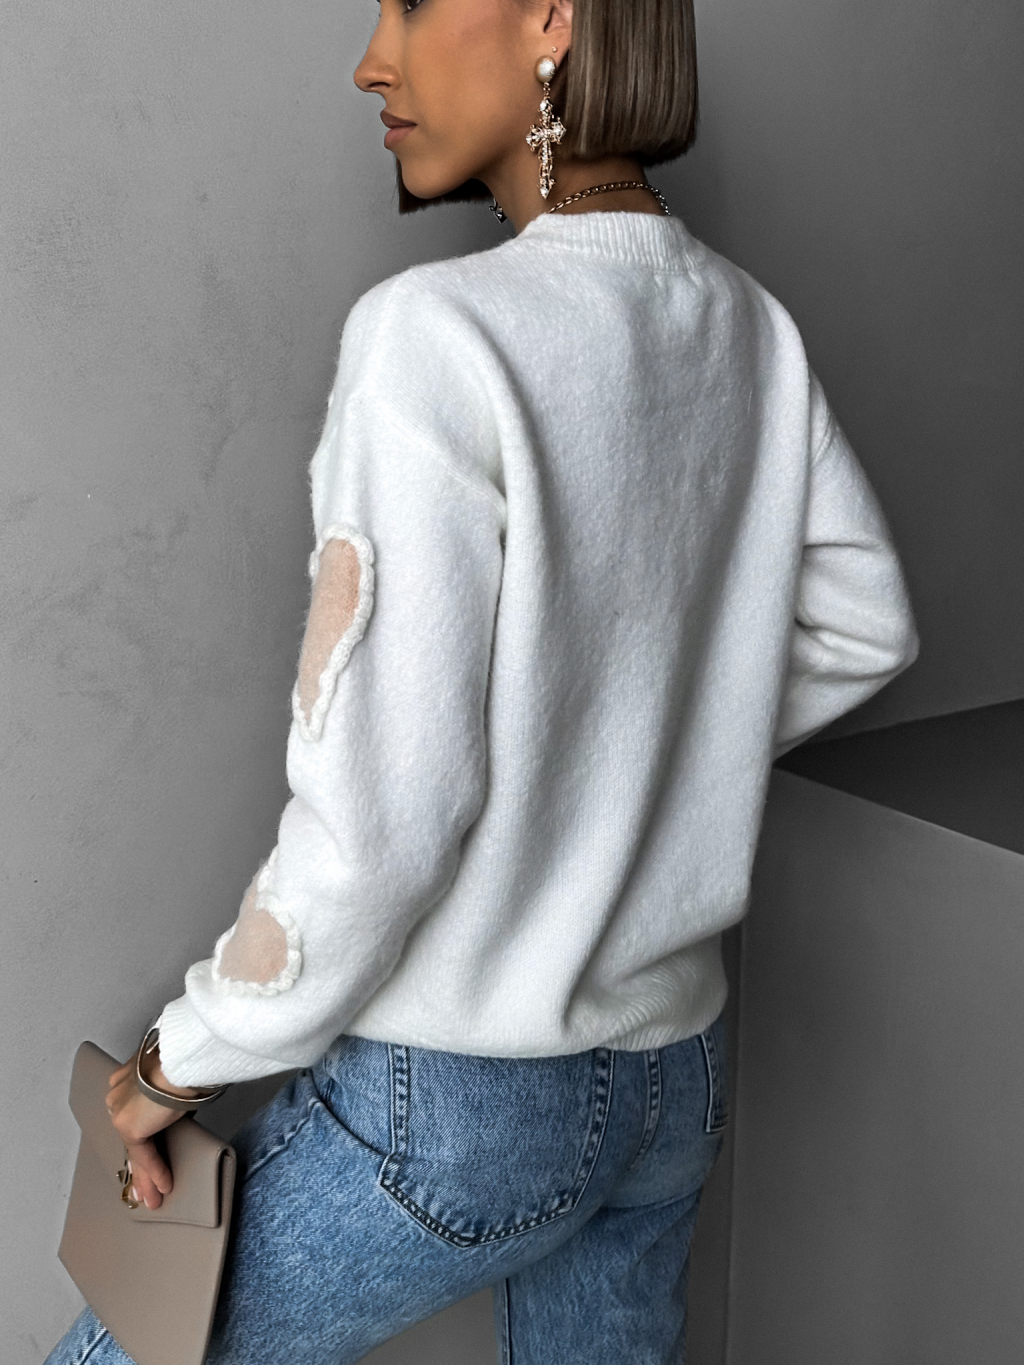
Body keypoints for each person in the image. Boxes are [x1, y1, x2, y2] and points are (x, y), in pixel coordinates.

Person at [46, 0, 919, 1361]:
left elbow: (385, 817)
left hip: (469, 1096)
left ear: (553, 17)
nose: (371, 58)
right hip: (671, 1074)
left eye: (412, 2)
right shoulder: (750, 327)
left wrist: (179, 1063)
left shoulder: (437, 333)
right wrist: (640, 762)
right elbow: (866, 623)